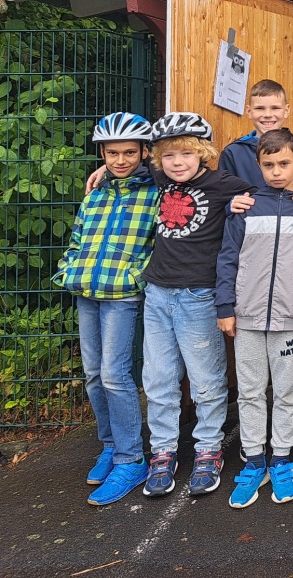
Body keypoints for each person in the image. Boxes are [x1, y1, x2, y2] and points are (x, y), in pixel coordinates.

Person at [139, 113, 255, 498]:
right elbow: (123, 169)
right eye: (169, 156)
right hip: (157, 292)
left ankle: (208, 446)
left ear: (203, 153)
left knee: (205, 379)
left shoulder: (226, 185)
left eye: (187, 154)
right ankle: (163, 450)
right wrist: (101, 175)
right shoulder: (157, 180)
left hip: (199, 295)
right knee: (158, 378)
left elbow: (273, 192)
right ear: (158, 159)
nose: (177, 162)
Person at [215, 129, 293, 508]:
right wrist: (225, 307)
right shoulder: (245, 206)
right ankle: (254, 461)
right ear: (258, 165)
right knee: (249, 391)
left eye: (283, 164)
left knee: (288, 392)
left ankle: (281, 459)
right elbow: (228, 257)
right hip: (246, 316)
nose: (276, 171)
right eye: (268, 165)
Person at [54, 112, 158, 506]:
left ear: (144, 151)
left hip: (123, 295)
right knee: (93, 374)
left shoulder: (155, 190)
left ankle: (132, 460)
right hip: (86, 290)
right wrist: (70, 268)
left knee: (116, 375)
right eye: (112, 153)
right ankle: (111, 446)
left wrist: (137, 276)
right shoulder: (96, 192)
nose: (120, 160)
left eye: (130, 152)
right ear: (102, 152)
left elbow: (157, 243)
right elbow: (79, 236)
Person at [218, 78, 293, 197]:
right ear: (249, 111)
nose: (268, 115)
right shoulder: (233, 153)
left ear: (286, 110)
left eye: (275, 108)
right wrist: (233, 203)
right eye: (260, 108)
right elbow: (223, 197)